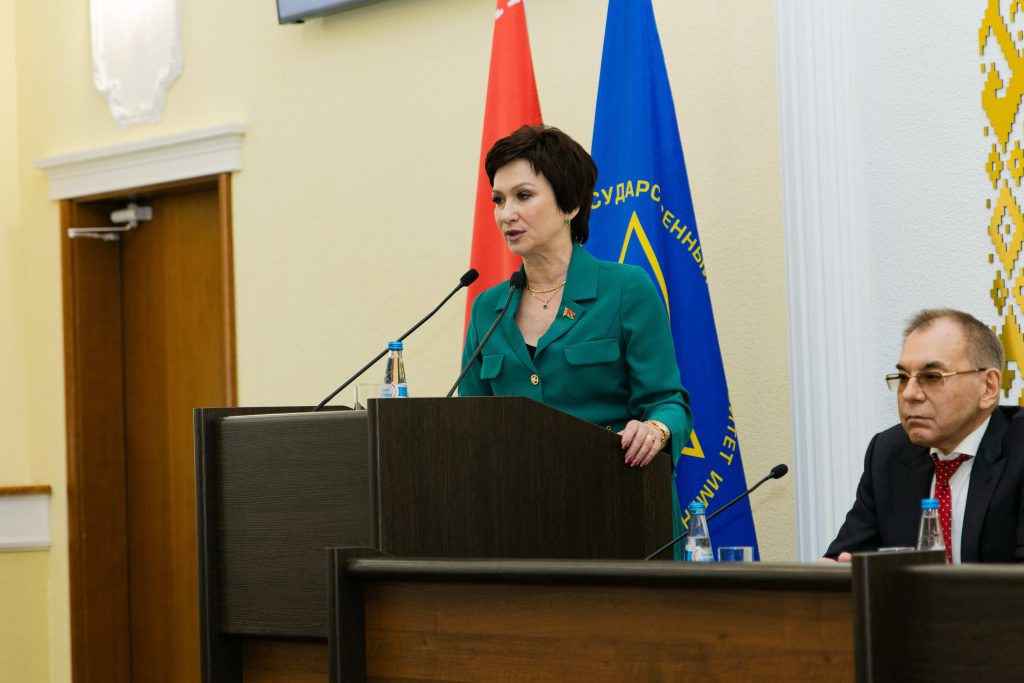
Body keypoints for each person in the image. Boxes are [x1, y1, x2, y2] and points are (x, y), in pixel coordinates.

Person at [459, 124, 693, 468]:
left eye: (523, 195)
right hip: (515, 495)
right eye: (499, 200)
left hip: (614, 487)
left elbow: (667, 402)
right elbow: (469, 423)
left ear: (570, 205)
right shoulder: (487, 309)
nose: (506, 214)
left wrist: (655, 429)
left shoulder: (626, 289)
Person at [823, 309, 1024, 563]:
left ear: (988, 387)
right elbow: (846, 556)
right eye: (903, 377)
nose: (909, 394)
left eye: (931, 377)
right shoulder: (889, 453)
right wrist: (833, 570)